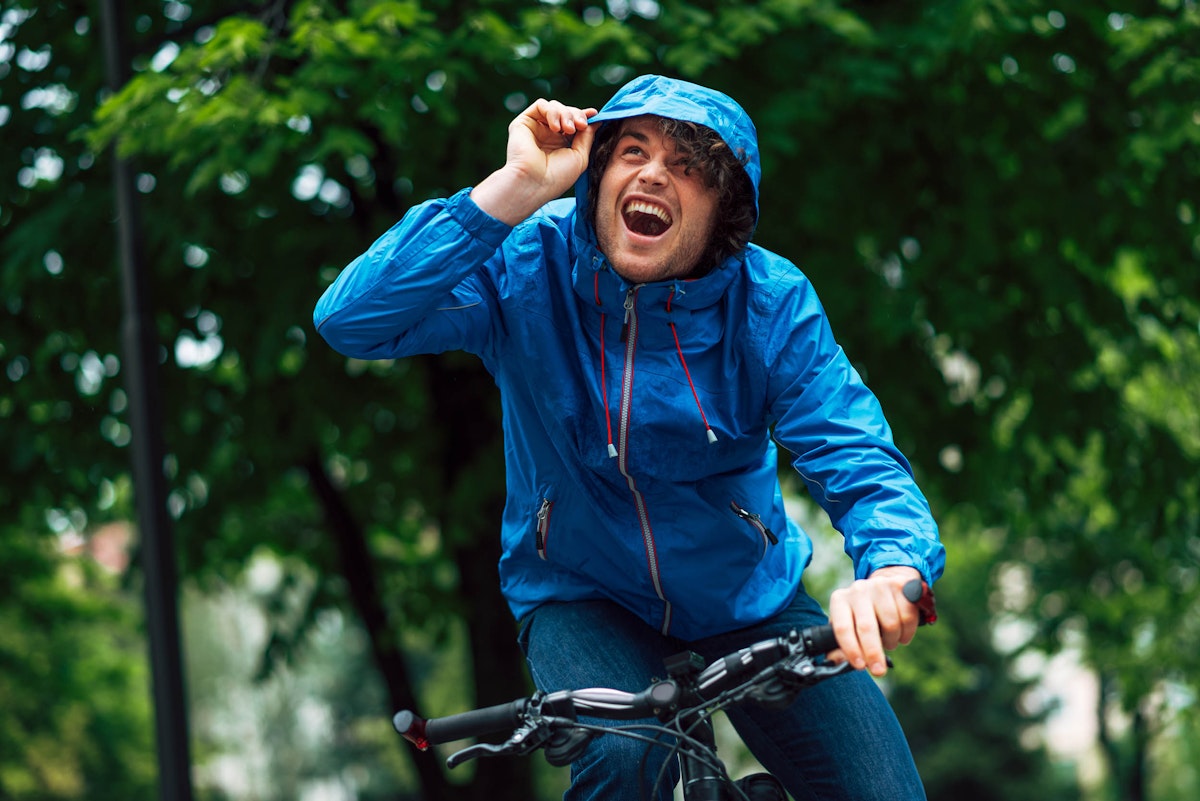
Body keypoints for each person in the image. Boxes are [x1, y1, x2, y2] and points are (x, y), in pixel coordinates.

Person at [314, 74, 945, 801]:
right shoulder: (529, 264)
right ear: (598, 173)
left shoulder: (770, 304)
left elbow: (857, 455)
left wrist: (892, 571)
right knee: (625, 756)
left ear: (724, 212)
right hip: (579, 590)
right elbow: (351, 320)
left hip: (745, 595)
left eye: (688, 167)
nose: (654, 174)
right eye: (632, 152)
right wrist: (516, 187)